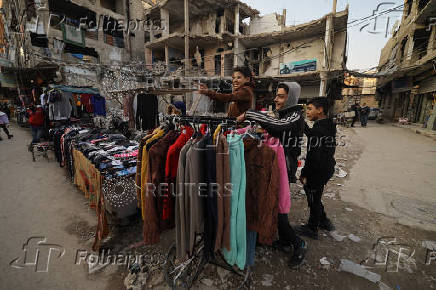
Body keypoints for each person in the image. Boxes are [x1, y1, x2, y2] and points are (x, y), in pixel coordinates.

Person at [237, 82, 307, 269]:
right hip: (274, 165)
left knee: (279, 211)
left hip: (285, 167)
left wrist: (250, 113)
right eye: (276, 95)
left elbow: (278, 127)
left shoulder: (294, 115)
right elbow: (272, 128)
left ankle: (299, 244)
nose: (276, 99)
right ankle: (284, 241)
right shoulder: (285, 114)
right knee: (274, 206)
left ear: (291, 97)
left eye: (281, 96)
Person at [298, 97, 336, 240]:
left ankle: (312, 228)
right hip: (327, 167)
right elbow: (316, 134)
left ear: (320, 110)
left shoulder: (319, 130)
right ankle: (324, 221)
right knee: (316, 196)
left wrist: (304, 173)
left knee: (313, 197)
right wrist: (306, 128)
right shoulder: (327, 124)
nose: (307, 112)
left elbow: (313, 157)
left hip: (318, 171)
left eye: (309, 109)